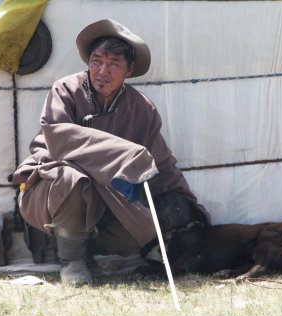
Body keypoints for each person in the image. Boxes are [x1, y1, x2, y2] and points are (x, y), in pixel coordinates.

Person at [12, 19, 209, 284]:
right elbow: (58, 137)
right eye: (96, 61)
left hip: (110, 196)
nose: (102, 71)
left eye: (114, 63)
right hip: (53, 185)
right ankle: (72, 260)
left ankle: (89, 251)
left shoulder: (141, 109)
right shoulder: (65, 90)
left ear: (130, 69)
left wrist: (190, 205)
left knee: (143, 226)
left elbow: (160, 163)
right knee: (69, 177)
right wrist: (124, 154)